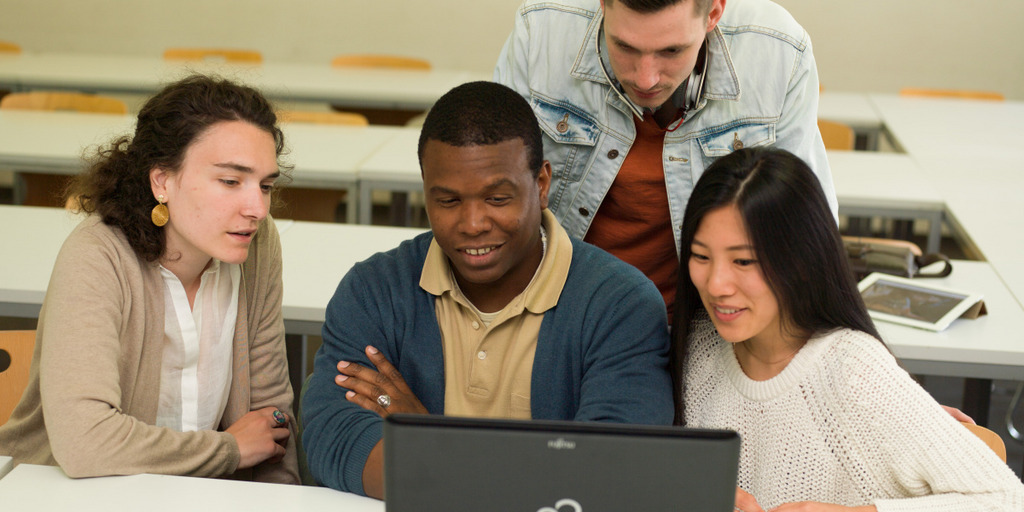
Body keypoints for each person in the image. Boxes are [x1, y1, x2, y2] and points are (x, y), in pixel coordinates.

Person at [301, 81, 672, 498]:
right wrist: (515, 476)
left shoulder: (620, 305)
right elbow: (332, 435)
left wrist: (431, 438)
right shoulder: (373, 289)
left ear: (543, 184)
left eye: (497, 198)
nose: (473, 223)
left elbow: (608, 471)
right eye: (447, 201)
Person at [673, 147, 1024, 511]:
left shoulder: (853, 371)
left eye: (743, 261)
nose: (716, 284)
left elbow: (1007, 500)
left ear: (801, 260)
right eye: (701, 256)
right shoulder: (700, 343)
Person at [0, 75, 299, 484]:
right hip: (67, 493)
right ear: (162, 181)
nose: (257, 208)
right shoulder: (98, 255)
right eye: (230, 181)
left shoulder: (258, 246)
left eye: (265, 185)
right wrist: (228, 450)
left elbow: (271, 422)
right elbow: (85, 442)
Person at [494, 0, 836, 317]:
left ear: (713, 13)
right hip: (557, 313)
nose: (646, 78)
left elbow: (802, 231)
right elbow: (489, 191)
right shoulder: (540, 29)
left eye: (672, 50)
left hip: (707, 322)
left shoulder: (779, 50)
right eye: (625, 46)